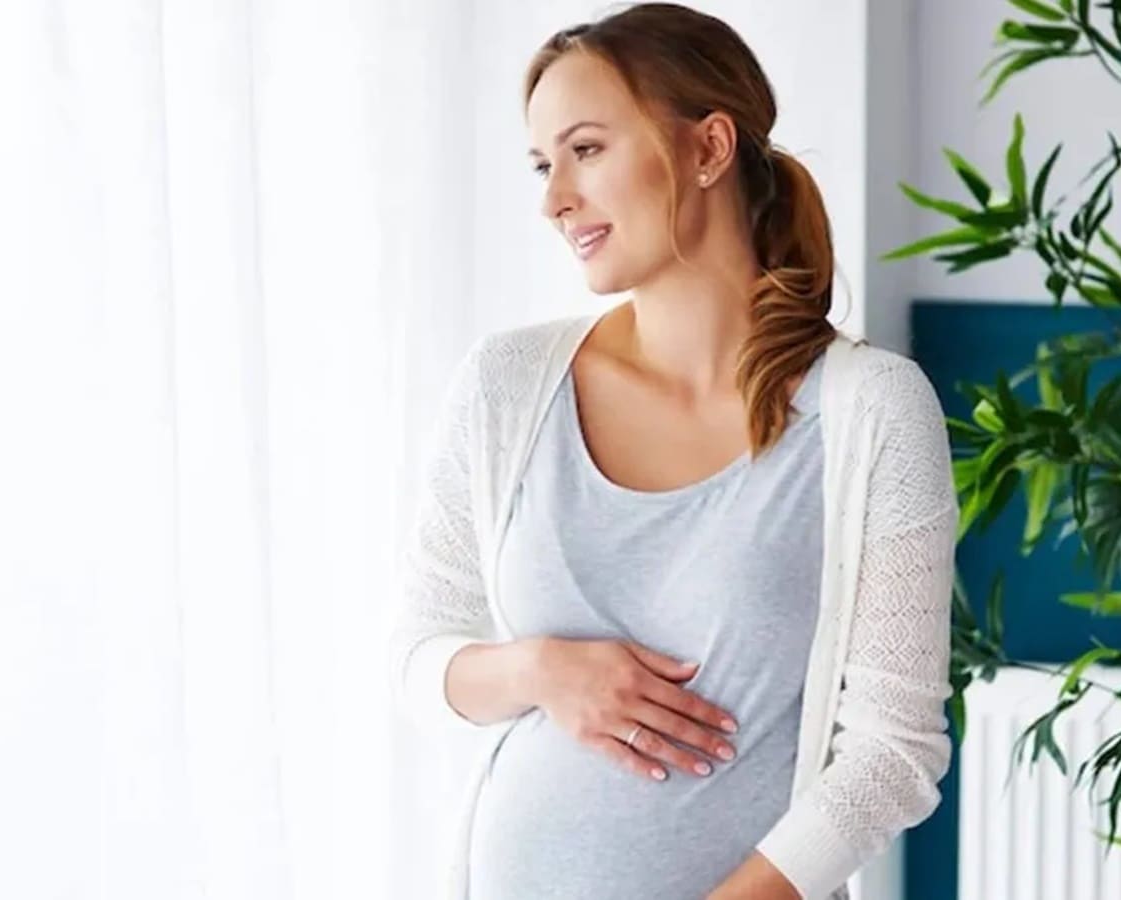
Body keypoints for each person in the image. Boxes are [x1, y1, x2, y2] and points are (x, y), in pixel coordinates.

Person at [387, 4, 959, 899]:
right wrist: (541, 669)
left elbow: (892, 754)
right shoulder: (507, 385)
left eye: (586, 150)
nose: (554, 199)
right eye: (542, 164)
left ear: (708, 148)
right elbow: (421, 664)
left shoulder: (872, 413)